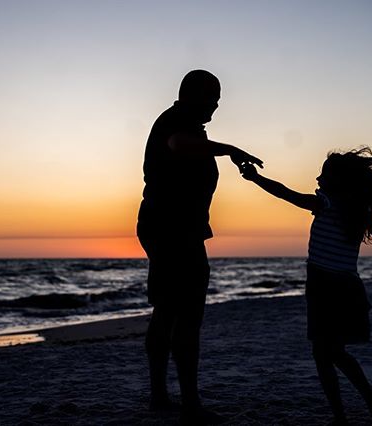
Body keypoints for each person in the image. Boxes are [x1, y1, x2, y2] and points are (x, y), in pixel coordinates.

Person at [239, 129, 372, 425]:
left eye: (322, 175)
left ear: (336, 181)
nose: (317, 180)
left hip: (326, 288)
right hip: (348, 288)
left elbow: (287, 195)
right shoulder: (355, 211)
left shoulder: (327, 203)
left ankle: (348, 413)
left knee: (325, 354)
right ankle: (369, 405)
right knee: (332, 353)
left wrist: (255, 179)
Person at [137, 69, 263, 424]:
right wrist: (229, 149)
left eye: (219, 97)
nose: (217, 104)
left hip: (179, 229)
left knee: (168, 310)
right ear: (192, 95)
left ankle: (163, 397)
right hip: (171, 229)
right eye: (213, 97)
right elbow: (179, 145)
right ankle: (185, 402)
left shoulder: (190, 125)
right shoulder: (175, 122)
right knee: (185, 314)